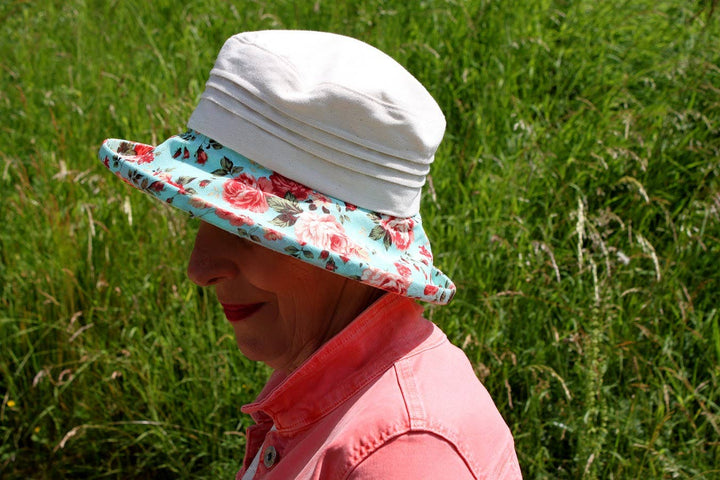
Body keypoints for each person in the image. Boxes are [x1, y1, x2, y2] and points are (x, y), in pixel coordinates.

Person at [99, 30, 521, 479]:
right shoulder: (326, 378)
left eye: (248, 231)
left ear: (346, 256)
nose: (198, 268)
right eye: (204, 219)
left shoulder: (402, 456)